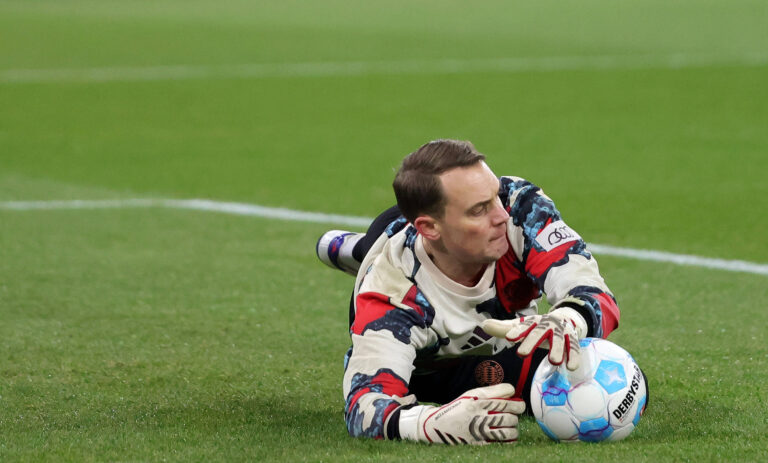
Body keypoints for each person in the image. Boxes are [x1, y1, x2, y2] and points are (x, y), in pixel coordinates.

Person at [316, 139, 620, 445]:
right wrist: (427, 424)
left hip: (459, 279)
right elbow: (363, 409)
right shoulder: (390, 298)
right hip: (433, 368)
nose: (500, 215)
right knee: (379, 239)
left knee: (583, 370)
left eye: (494, 196)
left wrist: (569, 318)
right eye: (479, 210)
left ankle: (356, 247)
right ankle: (352, 250)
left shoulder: (519, 208)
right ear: (430, 227)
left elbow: (594, 293)